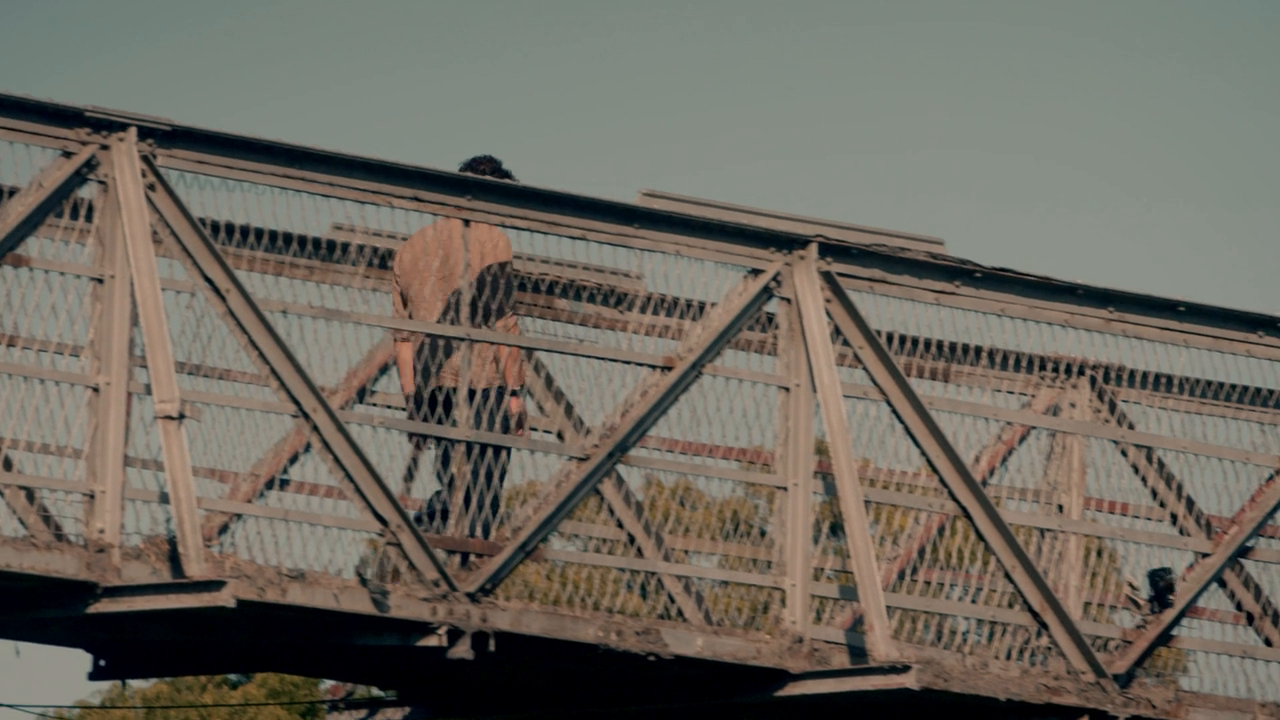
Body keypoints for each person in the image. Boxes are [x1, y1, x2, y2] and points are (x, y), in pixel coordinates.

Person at [392, 155, 526, 547]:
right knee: (483, 485)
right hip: (483, 382)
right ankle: (462, 557)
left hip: (431, 383)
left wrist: (413, 402)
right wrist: (515, 393)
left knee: (453, 473)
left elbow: (402, 337)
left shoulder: (412, 246)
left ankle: (441, 541)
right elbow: (503, 322)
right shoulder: (493, 241)